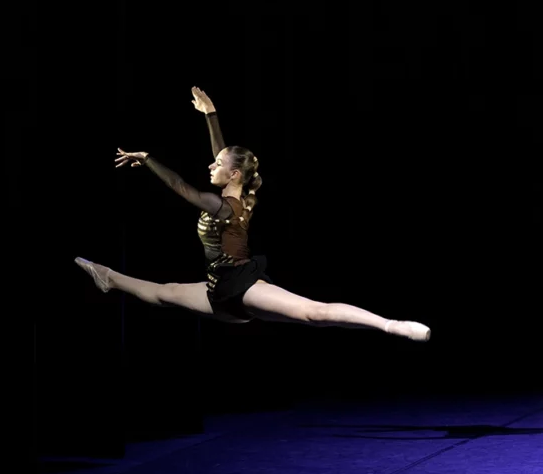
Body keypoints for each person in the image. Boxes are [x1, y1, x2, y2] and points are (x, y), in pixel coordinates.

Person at [75, 87, 431, 339]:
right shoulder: (240, 194)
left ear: (232, 175)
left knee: (314, 314)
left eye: (216, 164)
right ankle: (108, 277)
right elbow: (225, 156)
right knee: (165, 292)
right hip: (219, 289)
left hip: (241, 286)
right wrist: (211, 117)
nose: (209, 164)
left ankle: (390, 324)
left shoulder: (224, 204)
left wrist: (147, 158)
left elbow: (179, 186)